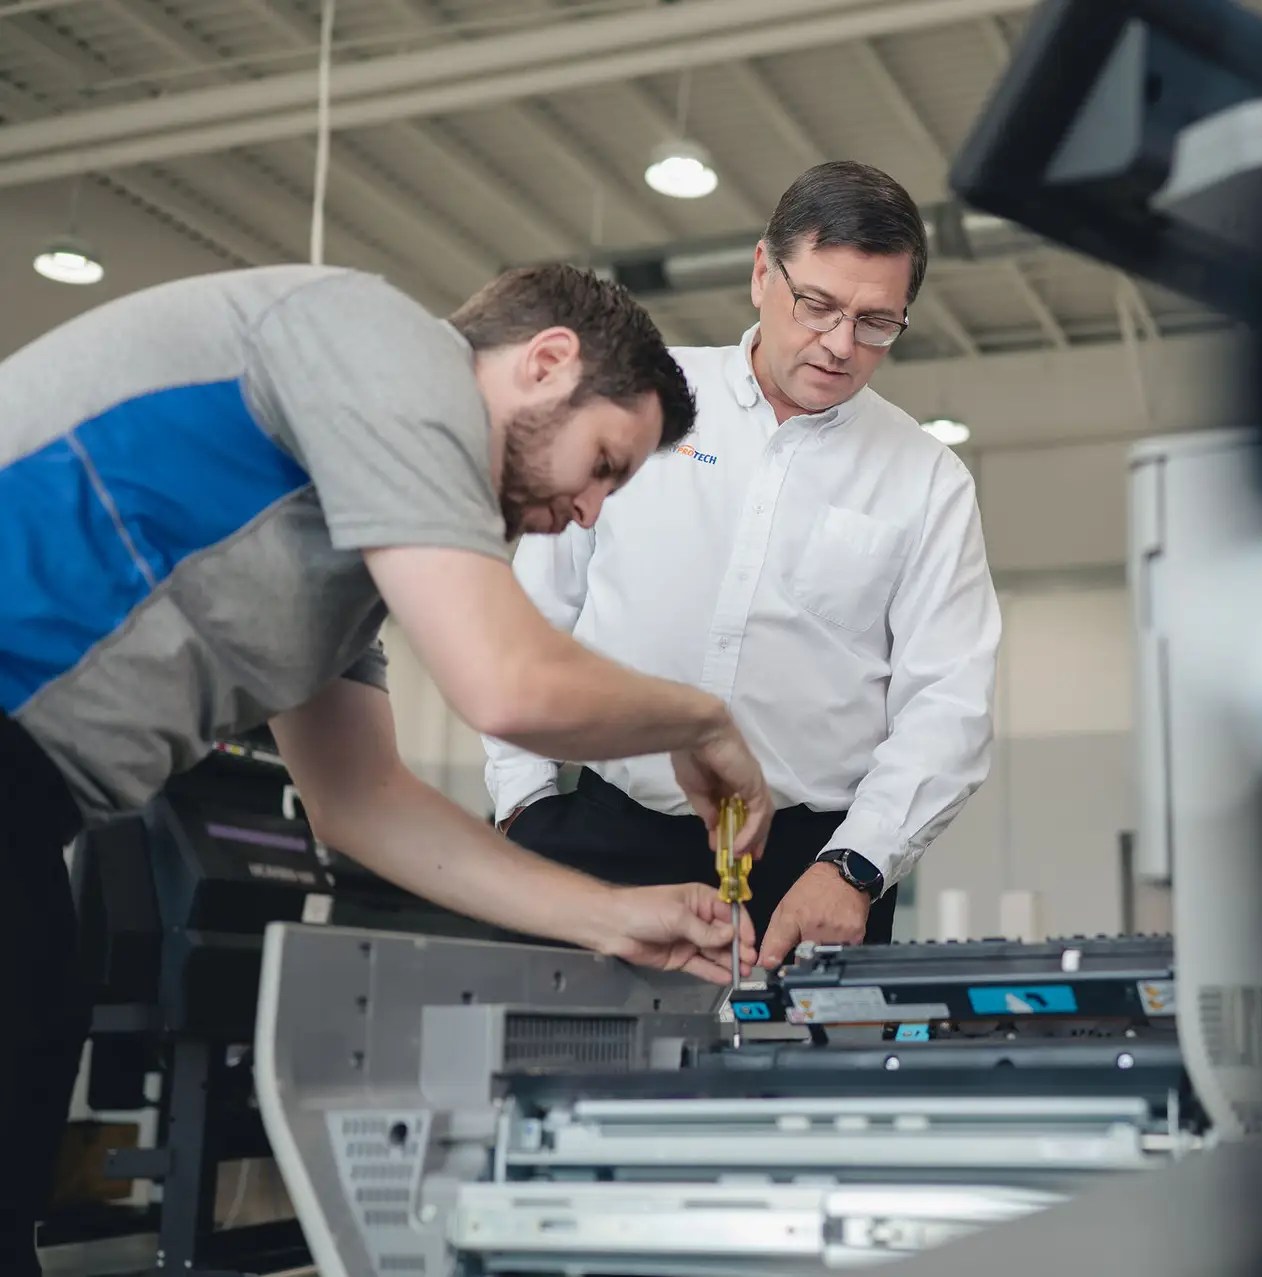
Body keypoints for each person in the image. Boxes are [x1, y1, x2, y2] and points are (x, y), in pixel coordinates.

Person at [0, 262, 773, 1274]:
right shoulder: (381, 342)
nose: (588, 512)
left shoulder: (351, 561)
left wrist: (611, 915)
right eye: (602, 464)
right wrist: (706, 719)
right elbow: (508, 683)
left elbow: (363, 800)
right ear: (546, 362)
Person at [484, 161, 1001, 969]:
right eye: (818, 304)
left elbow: (950, 703)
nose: (839, 345)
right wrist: (521, 808)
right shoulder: (643, 398)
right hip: (607, 837)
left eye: (875, 323)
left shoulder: (927, 480)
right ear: (763, 271)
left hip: (813, 874)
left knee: (797, 1096)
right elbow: (528, 614)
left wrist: (856, 866)